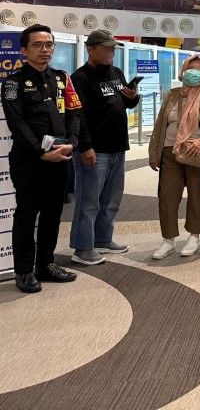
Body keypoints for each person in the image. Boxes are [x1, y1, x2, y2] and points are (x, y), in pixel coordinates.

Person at [2, 24, 81, 293]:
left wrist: (72, 143)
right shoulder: (13, 83)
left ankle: (45, 264)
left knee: (53, 214)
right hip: (29, 161)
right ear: (24, 50)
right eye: (37, 45)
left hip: (60, 157)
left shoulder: (61, 79)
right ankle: (24, 271)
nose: (44, 49)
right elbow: (17, 123)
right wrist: (41, 151)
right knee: (26, 215)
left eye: (49, 44)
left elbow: (74, 113)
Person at [68, 30, 139, 265]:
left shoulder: (116, 73)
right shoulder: (80, 78)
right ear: (90, 49)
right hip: (95, 149)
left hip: (118, 146)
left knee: (111, 199)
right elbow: (77, 115)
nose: (111, 52)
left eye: (113, 48)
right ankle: (83, 247)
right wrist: (85, 147)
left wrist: (132, 97)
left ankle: (102, 238)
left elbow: (123, 103)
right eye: (107, 48)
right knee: (89, 201)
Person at [147, 55, 200, 259]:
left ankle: (194, 236)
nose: (194, 73)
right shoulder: (172, 95)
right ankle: (168, 240)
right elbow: (160, 125)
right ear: (182, 71)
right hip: (170, 152)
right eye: (190, 68)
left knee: (196, 196)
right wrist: (153, 152)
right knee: (167, 197)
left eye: (199, 69)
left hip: (196, 152)